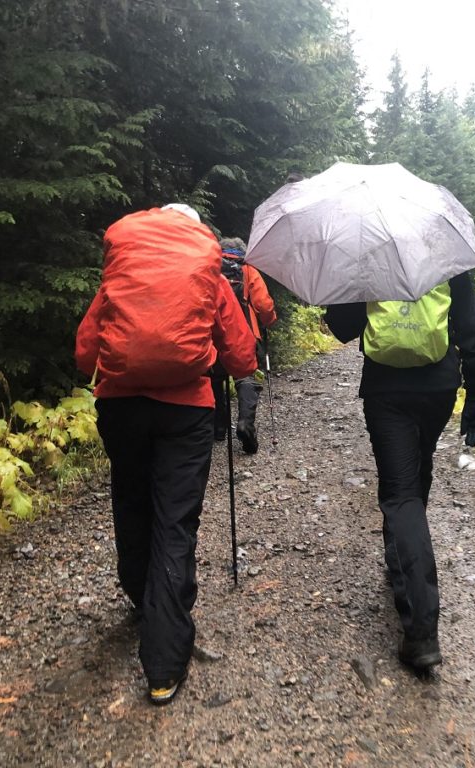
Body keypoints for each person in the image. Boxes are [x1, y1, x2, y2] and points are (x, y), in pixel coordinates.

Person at [76, 203, 257, 704]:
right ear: (197, 235)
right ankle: (162, 666)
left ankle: (141, 596)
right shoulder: (206, 270)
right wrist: (231, 366)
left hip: (120, 405)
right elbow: (240, 351)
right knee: (175, 522)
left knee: (131, 502)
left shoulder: (124, 273)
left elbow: (84, 349)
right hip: (186, 411)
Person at [324, 271, 475, 673]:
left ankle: (420, 631)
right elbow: (472, 329)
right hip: (439, 386)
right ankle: (402, 562)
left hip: (387, 388)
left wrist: (345, 290)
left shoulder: (368, 263)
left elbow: (341, 328)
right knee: (419, 470)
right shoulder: (447, 262)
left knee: (400, 494)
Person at [209, 237, 278, 451]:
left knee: (214, 379)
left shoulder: (210, 272)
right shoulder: (248, 271)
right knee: (246, 376)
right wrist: (268, 321)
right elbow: (264, 306)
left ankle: (218, 429)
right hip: (245, 334)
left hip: (214, 334)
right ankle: (245, 423)